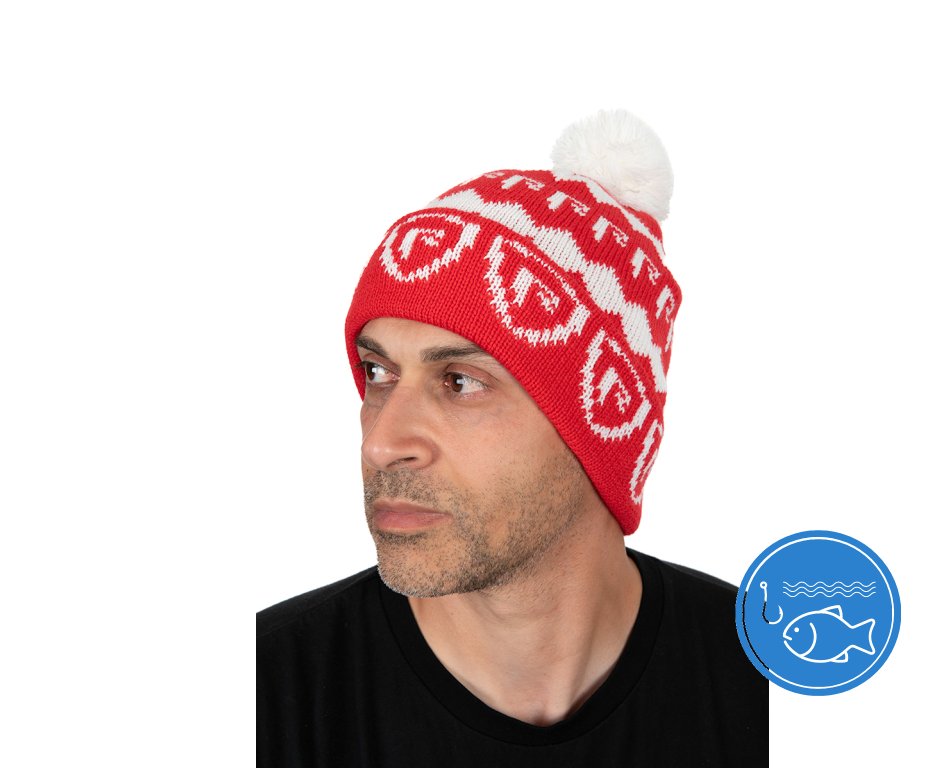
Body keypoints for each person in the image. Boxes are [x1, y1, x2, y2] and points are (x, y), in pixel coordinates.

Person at [257, 110, 768, 766]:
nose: (381, 442)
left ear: (601, 426)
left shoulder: (769, 680)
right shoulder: (265, 696)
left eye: (460, 382)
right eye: (378, 372)